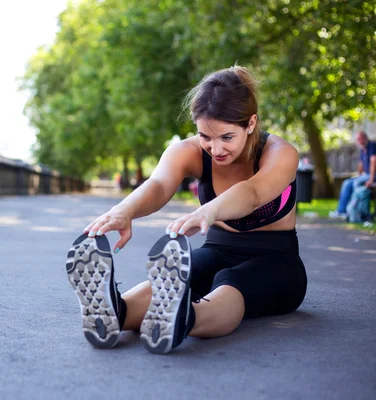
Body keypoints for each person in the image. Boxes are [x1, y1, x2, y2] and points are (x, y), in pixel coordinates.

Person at [65, 66, 307, 354]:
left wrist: (209, 212)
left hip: (277, 262)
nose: (215, 148)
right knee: (177, 276)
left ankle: (183, 319)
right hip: (218, 249)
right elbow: (158, 184)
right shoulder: (189, 151)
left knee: (229, 282)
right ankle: (117, 312)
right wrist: (124, 210)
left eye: (226, 137)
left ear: (251, 123)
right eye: (206, 136)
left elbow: (253, 193)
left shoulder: (280, 153)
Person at [329, 130, 376, 219]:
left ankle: (353, 212)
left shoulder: (372, 146)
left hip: (372, 175)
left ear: (364, 138)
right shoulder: (363, 149)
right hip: (366, 175)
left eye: (359, 139)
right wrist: (358, 175)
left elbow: (374, 162)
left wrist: (371, 179)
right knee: (347, 183)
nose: (358, 141)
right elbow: (361, 164)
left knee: (356, 184)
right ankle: (342, 211)